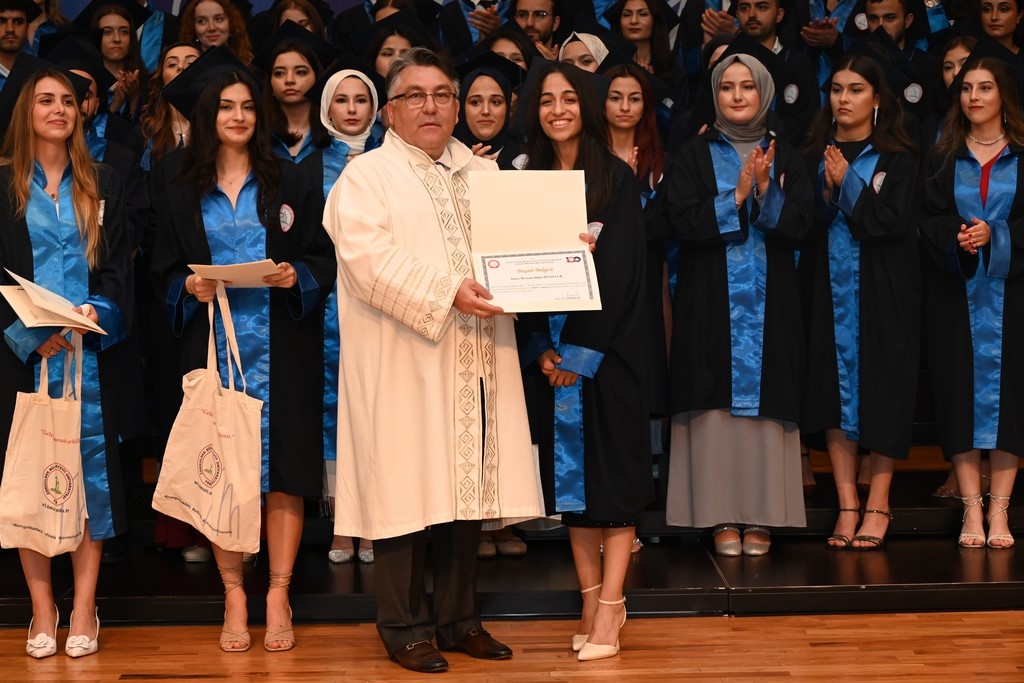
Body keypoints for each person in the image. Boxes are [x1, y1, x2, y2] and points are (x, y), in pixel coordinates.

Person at [322, 46, 545, 674]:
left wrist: (563, 251)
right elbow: (368, 263)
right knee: (404, 491)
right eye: (415, 95)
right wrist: (447, 290)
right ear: (389, 111)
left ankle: (459, 618)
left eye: (443, 94)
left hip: (475, 358)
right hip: (403, 359)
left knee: (465, 492)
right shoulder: (365, 178)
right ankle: (403, 626)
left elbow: (521, 250)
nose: (431, 105)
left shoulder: (483, 175)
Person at [151, 49, 335, 652]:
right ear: (209, 115)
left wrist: (295, 277)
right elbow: (160, 269)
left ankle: (278, 589)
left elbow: (321, 258)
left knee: (282, 472)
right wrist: (186, 284)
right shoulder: (178, 184)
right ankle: (234, 590)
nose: (238, 115)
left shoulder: (292, 178)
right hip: (212, 351)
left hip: (282, 346)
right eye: (226, 106)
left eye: (247, 106)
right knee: (223, 472)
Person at [516, 60, 652, 660]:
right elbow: (512, 269)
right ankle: (590, 601)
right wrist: (540, 350)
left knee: (614, 485)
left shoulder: (615, 180)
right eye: (546, 100)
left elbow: (621, 275)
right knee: (571, 493)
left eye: (569, 98)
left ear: (587, 105)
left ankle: (613, 607)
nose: (558, 110)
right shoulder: (523, 179)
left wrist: (578, 354)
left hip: (610, 353)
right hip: (549, 357)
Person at [0, 66, 132, 659]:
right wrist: (29, 334)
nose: (60, 109)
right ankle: (41, 608)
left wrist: (92, 311)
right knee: (33, 478)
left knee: (91, 480)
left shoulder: (101, 181)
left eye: (68, 102)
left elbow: (118, 268)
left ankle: (83, 605)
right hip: (23, 358)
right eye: (45, 100)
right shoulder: (3, 186)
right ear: (26, 111)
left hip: (89, 355)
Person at [659, 54, 811, 556]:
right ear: (716, 94)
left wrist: (766, 190)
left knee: (766, 409)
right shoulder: (692, 153)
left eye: (749, 86)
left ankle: (762, 515)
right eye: (728, 87)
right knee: (713, 406)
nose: (739, 95)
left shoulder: (788, 153)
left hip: (773, 303)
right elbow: (677, 220)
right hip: (707, 299)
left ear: (765, 92)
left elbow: (803, 226)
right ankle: (719, 515)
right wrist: (738, 194)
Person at [799, 54, 920, 550]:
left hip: (884, 290)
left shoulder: (899, 157)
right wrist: (828, 191)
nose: (843, 99)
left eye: (855, 90)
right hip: (825, 290)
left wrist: (846, 182)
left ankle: (879, 502)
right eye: (836, 90)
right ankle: (847, 502)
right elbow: (802, 224)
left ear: (876, 99)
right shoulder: (811, 153)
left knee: (884, 391)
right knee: (832, 394)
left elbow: (888, 224)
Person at [920, 57, 1024, 549]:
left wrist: (998, 233)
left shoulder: (1023, 153)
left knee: (1011, 401)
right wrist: (958, 236)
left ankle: (1000, 509)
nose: (974, 97)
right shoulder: (943, 155)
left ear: (1004, 94)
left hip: (1013, 295)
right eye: (966, 88)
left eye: (985, 87)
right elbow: (927, 217)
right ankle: (971, 509)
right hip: (954, 293)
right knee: (957, 395)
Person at [298, 63, 384, 565]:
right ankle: (342, 524)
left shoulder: (397, 162)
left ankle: (374, 520)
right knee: (333, 415)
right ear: (326, 108)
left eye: (361, 100)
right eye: (341, 101)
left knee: (377, 413)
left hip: (381, 306)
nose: (351, 110)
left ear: (376, 108)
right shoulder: (308, 169)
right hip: (327, 310)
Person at [179, 0, 253, 64]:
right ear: (193, 28)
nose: (211, 27)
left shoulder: (249, 71)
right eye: (201, 21)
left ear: (231, 24)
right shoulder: (185, 70)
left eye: (218, 19)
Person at [0, 0, 36, 92]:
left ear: (27, 28)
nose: (10, 29)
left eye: (18, 22)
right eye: (1, 21)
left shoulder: (40, 74)